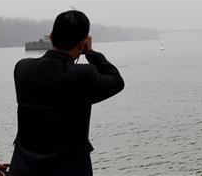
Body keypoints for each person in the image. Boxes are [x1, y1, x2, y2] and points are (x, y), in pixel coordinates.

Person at [9, 10, 124, 176]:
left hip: (23, 169)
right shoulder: (83, 76)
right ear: (82, 44)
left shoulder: (22, 69)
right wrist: (91, 53)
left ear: (51, 37)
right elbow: (116, 81)